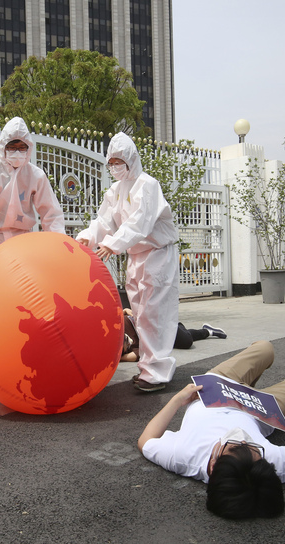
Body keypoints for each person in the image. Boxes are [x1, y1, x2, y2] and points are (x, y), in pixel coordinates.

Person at [138, 340, 285, 520]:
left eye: (232, 446)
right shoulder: (271, 463)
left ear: (212, 465)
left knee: (264, 347)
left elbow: (146, 440)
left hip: (215, 389)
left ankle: (255, 380)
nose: (240, 439)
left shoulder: (184, 456)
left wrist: (178, 399)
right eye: (252, 447)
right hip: (259, 412)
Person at [77, 132, 179, 392]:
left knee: (155, 312)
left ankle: (157, 372)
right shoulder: (115, 191)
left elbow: (140, 222)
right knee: (141, 315)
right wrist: (88, 238)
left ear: (131, 159)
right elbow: (104, 221)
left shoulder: (147, 185)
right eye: (110, 162)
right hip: (136, 256)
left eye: (118, 161)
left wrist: (112, 244)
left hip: (157, 254)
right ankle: (149, 366)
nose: (114, 167)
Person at [0, 116, 65, 265]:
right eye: (12, 147)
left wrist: (59, 246)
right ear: (3, 147)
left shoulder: (36, 175)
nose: (17, 152)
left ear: (29, 148)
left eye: (22, 147)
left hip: (24, 246)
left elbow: (52, 213)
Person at [121, 308, 226, 362]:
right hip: (161, 338)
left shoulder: (120, 325)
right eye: (125, 347)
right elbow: (136, 356)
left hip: (161, 325)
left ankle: (179, 327)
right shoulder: (134, 348)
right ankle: (207, 331)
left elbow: (121, 312)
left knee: (185, 340)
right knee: (187, 341)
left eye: (124, 339)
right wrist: (119, 359)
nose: (128, 342)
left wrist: (125, 310)